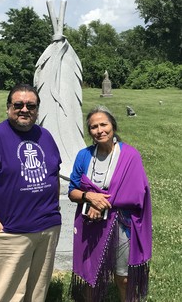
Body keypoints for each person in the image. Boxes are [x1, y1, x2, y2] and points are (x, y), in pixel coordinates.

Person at [0, 83, 62, 302]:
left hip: (47, 228)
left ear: (37, 109)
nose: (24, 109)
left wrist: (55, 209)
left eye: (31, 105)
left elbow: (54, 171)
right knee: (6, 293)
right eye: (18, 104)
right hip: (12, 231)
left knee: (37, 292)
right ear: (8, 107)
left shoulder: (45, 136)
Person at [68, 105, 152, 302]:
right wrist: (89, 198)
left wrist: (101, 203)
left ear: (113, 126)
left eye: (103, 124)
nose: (99, 130)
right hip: (89, 223)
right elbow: (72, 191)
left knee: (123, 276)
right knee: (91, 277)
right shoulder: (84, 155)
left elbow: (137, 193)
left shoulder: (130, 156)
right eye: (94, 127)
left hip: (121, 223)